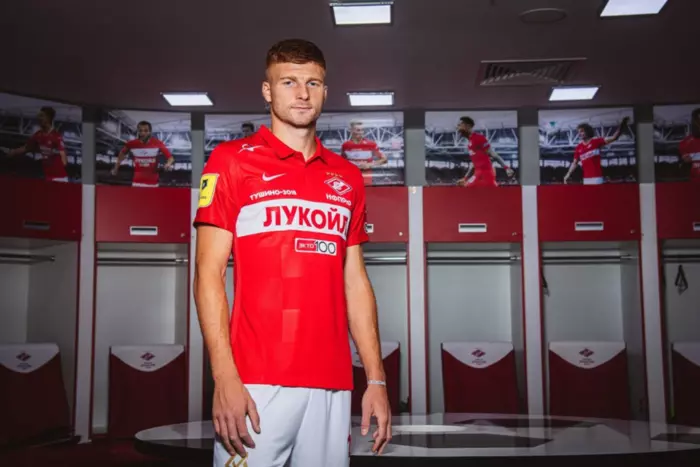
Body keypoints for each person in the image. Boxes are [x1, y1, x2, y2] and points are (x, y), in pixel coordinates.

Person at [193, 38, 391, 467]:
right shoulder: (230, 161)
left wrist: (375, 379)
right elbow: (208, 275)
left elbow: (356, 282)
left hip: (333, 382)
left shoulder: (348, 177)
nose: (302, 93)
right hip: (256, 380)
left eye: (312, 83)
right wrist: (223, 375)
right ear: (267, 91)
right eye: (288, 82)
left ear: (325, 91)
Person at [3, 106, 69, 182]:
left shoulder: (56, 137)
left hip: (59, 177)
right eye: (39, 116)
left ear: (48, 118)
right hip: (48, 176)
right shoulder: (38, 135)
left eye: (42, 116)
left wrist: (53, 156)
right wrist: (13, 152)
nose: (39, 118)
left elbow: (64, 161)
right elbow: (26, 148)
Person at [563, 117, 629, 185]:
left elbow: (614, 137)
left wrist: (622, 125)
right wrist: (568, 174)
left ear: (587, 131)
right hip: (586, 179)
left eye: (582, 131)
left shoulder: (596, 141)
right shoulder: (578, 147)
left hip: (597, 178)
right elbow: (574, 163)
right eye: (579, 132)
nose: (580, 133)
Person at [110, 121, 174, 187]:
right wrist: (115, 168)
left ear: (150, 132)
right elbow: (121, 154)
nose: (143, 133)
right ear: (138, 131)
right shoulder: (131, 144)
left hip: (153, 183)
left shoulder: (158, 143)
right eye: (140, 131)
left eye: (146, 131)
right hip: (137, 182)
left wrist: (168, 164)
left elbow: (170, 158)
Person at [455, 117, 514, 187]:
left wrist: (506, 168)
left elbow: (493, 154)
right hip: (478, 174)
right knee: (463, 187)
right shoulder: (469, 143)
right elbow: (474, 164)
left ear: (468, 126)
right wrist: (465, 178)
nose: (458, 126)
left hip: (485, 174)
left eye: (460, 124)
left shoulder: (479, 138)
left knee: (466, 189)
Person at [341, 121, 388, 185]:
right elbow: (342, 161)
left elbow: (384, 160)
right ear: (351, 130)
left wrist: (370, 164)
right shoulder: (345, 145)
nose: (360, 132)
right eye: (358, 130)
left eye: (362, 130)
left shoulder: (371, 144)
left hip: (366, 176)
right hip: (350, 176)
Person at [679, 108, 700, 182]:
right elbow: (685, 161)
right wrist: (685, 159)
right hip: (693, 184)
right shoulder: (685, 143)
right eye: (698, 120)